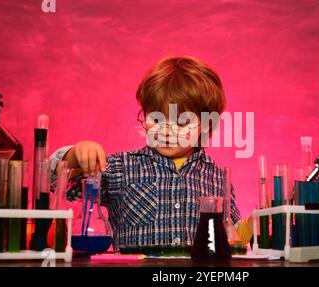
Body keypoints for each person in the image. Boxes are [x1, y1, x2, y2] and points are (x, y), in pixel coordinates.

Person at [50, 56, 242, 250]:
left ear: (207, 124)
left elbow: (234, 235)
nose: (166, 131)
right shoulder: (120, 167)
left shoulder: (218, 178)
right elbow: (59, 187)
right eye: (157, 119)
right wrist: (75, 155)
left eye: (182, 122)